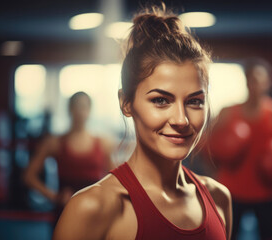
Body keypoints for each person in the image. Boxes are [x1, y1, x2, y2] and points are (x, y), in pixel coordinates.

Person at [52, 4, 232, 240]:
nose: (181, 119)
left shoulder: (218, 198)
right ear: (126, 102)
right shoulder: (92, 208)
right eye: (160, 100)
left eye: (195, 102)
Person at [210, 58, 272, 240]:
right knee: (226, 236)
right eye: (252, 79)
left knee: (268, 236)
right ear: (246, 81)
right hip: (232, 190)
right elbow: (208, 146)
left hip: (267, 191)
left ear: (268, 82)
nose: (256, 85)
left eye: (260, 80)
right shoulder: (228, 112)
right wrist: (213, 174)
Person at [23, 91, 114, 224]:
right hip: (65, 211)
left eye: (84, 107)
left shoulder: (103, 143)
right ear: (69, 109)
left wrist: (103, 197)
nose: (80, 111)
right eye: (76, 106)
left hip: (94, 212)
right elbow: (28, 176)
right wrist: (54, 196)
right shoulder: (54, 142)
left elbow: (115, 179)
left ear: (89, 110)